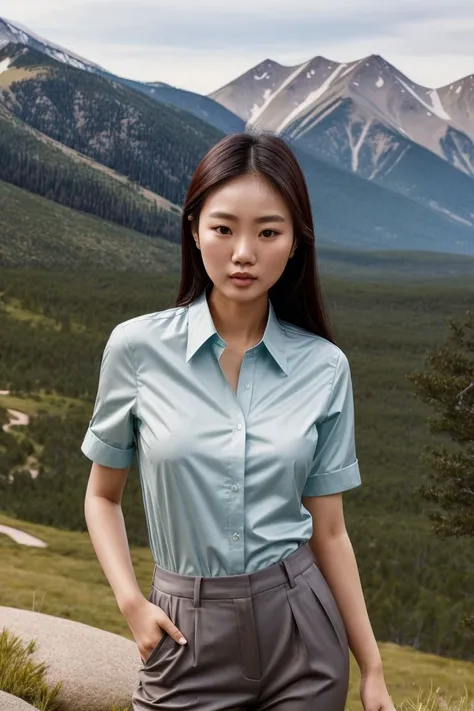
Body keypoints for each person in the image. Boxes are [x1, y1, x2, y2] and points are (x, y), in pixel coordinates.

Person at [80, 129, 395, 711]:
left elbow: (329, 531)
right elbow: (102, 496)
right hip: (183, 635)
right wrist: (130, 602)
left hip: (303, 634)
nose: (244, 252)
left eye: (268, 232)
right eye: (224, 228)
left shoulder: (325, 367)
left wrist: (371, 667)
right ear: (194, 228)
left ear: (296, 242)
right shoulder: (136, 348)